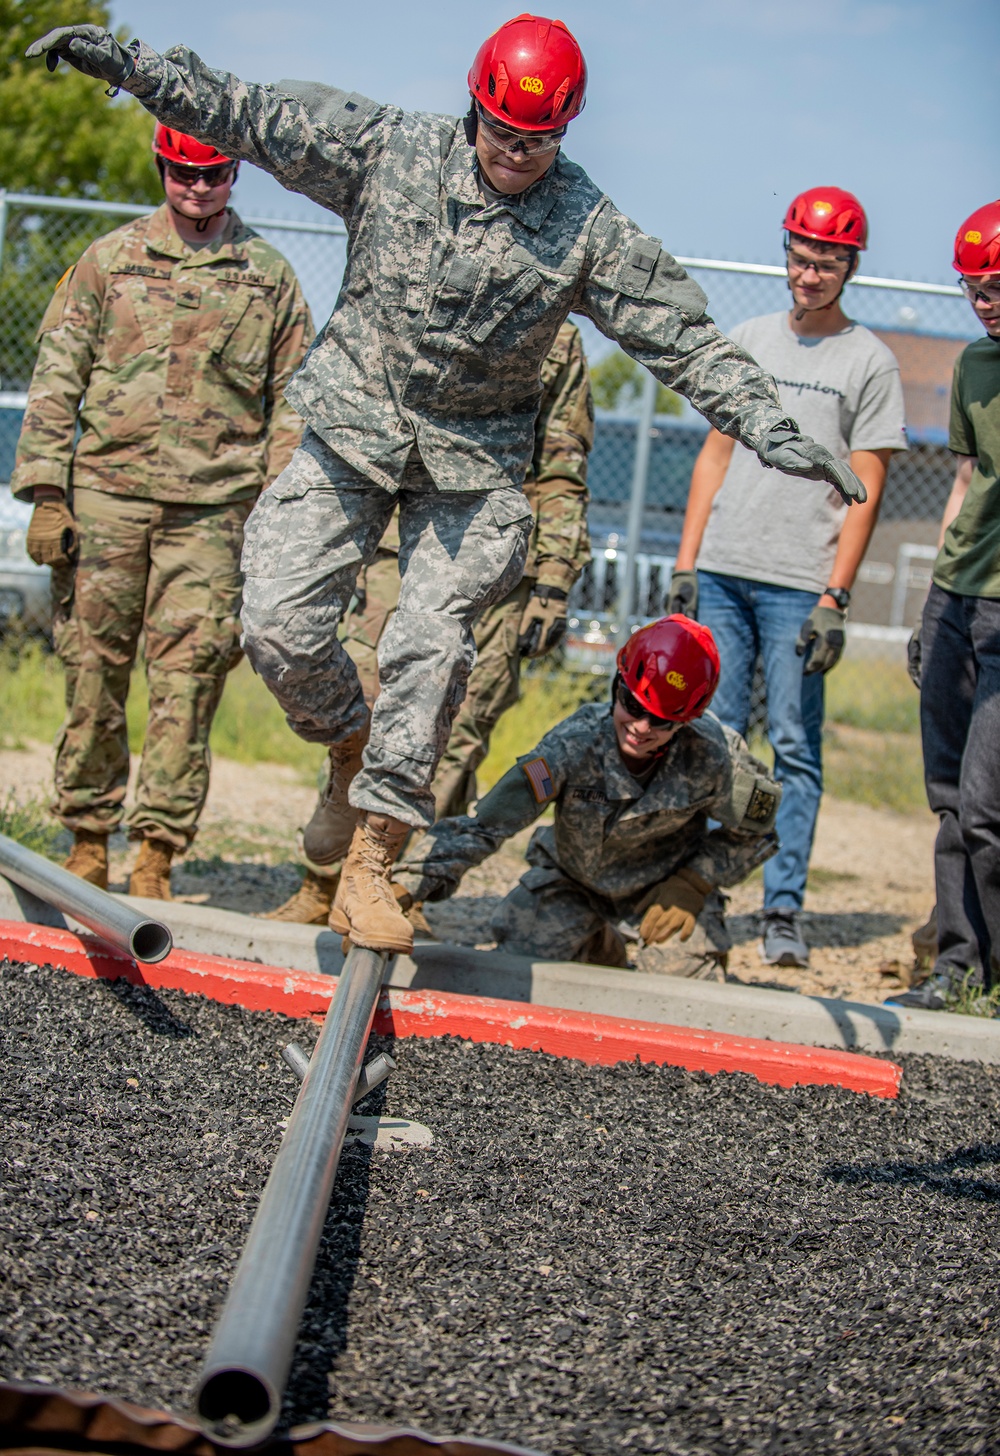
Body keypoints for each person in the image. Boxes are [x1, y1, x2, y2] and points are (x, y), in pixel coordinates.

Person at [26, 18, 866, 954]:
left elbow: (681, 333)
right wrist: (131, 69)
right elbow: (249, 115)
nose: (516, 157)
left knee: (431, 646)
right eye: (504, 135)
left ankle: (374, 859)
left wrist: (772, 427)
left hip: (471, 471)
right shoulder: (390, 150)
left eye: (538, 143)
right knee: (274, 624)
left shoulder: (585, 225)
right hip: (353, 428)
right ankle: (351, 744)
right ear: (476, 109)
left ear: (564, 134)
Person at [13, 125, 311, 897]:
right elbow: (57, 376)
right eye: (183, 172)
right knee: (92, 672)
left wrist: (270, 527)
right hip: (106, 499)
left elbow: (292, 410)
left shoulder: (269, 278)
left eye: (212, 173)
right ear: (163, 168)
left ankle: (155, 853)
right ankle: (86, 838)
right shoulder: (107, 263)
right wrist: (47, 491)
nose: (198, 187)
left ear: (234, 172)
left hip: (213, 515)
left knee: (190, 681)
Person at [267, 319, 593, 926]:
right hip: (401, 544)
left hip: (498, 561)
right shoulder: (424, 295)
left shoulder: (557, 336)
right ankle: (321, 883)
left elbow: (560, 467)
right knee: (370, 704)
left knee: (457, 729)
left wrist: (554, 578)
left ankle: (385, 884)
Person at [667, 187, 906, 968]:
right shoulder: (749, 339)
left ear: (850, 266)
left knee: (794, 745)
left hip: (799, 582)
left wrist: (836, 596)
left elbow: (867, 487)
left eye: (826, 263)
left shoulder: (868, 361)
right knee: (718, 738)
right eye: (800, 259)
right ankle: (707, 896)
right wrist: (686, 562)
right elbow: (715, 454)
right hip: (727, 572)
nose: (809, 275)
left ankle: (783, 907)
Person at [394, 616, 781, 975]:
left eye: (662, 720)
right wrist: (408, 884)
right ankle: (599, 945)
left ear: (685, 721)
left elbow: (759, 831)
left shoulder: (713, 756)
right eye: (632, 705)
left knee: (681, 982)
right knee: (523, 952)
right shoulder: (573, 745)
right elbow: (487, 824)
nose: (641, 728)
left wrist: (695, 882)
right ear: (618, 684)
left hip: (662, 890)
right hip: (574, 882)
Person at [887, 200, 1000, 1011]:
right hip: (959, 595)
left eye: (995, 286)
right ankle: (961, 971)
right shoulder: (975, 366)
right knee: (952, 802)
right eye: (972, 289)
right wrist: (930, 601)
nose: (983, 302)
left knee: (990, 807)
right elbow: (963, 482)